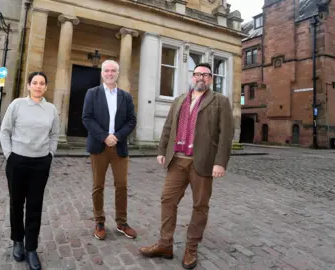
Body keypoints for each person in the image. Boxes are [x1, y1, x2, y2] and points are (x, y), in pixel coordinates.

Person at [139, 63, 234, 269]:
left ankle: (191, 247)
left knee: (200, 205)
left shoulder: (220, 101)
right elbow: (168, 127)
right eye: (198, 74)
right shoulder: (180, 100)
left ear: (211, 78)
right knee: (167, 200)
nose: (201, 77)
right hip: (177, 160)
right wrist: (162, 150)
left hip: (203, 162)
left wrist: (220, 162)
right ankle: (165, 244)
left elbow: (226, 135)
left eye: (206, 75)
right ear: (193, 77)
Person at [0, 71, 59, 270]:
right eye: (35, 82)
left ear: (46, 87)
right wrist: (9, 154)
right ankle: (17, 240)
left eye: (42, 83)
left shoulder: (50, 109)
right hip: (17, 161)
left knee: (35, 206)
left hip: (40, 163)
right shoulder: (17, 105)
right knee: (16, 203)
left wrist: (50, 155)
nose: (38, 86)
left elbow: (55, 135)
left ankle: (31, 247)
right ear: (28, 85)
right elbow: (5, 130)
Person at [82, 60, 138, 240]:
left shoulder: (126, 96)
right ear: (102, 73)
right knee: (98, 186)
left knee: (121, 185)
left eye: (113, 70)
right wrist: (104, 136)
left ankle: (121, 222)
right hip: (99, 146)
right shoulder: (92, 93)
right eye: (106, 70)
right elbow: (87, 118)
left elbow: (132, 121)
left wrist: (118, 136)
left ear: (118, 73)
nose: (109, 73)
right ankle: (99, 221)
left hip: (119, 148)